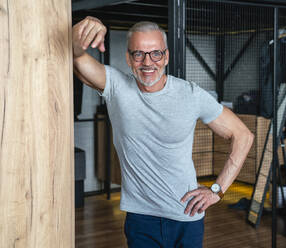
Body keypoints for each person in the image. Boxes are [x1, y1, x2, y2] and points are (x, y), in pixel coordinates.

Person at [72, 16, 254, 248]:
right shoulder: (116, 87)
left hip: (186, 216)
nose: (148, 62)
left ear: (166, 57)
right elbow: (76, 55)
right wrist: (82, 30)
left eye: (156, 53)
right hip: (140, 219)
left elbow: (243, 135)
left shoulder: (191, 94)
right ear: (128, 58)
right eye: (138, 54)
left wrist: (217, 190)